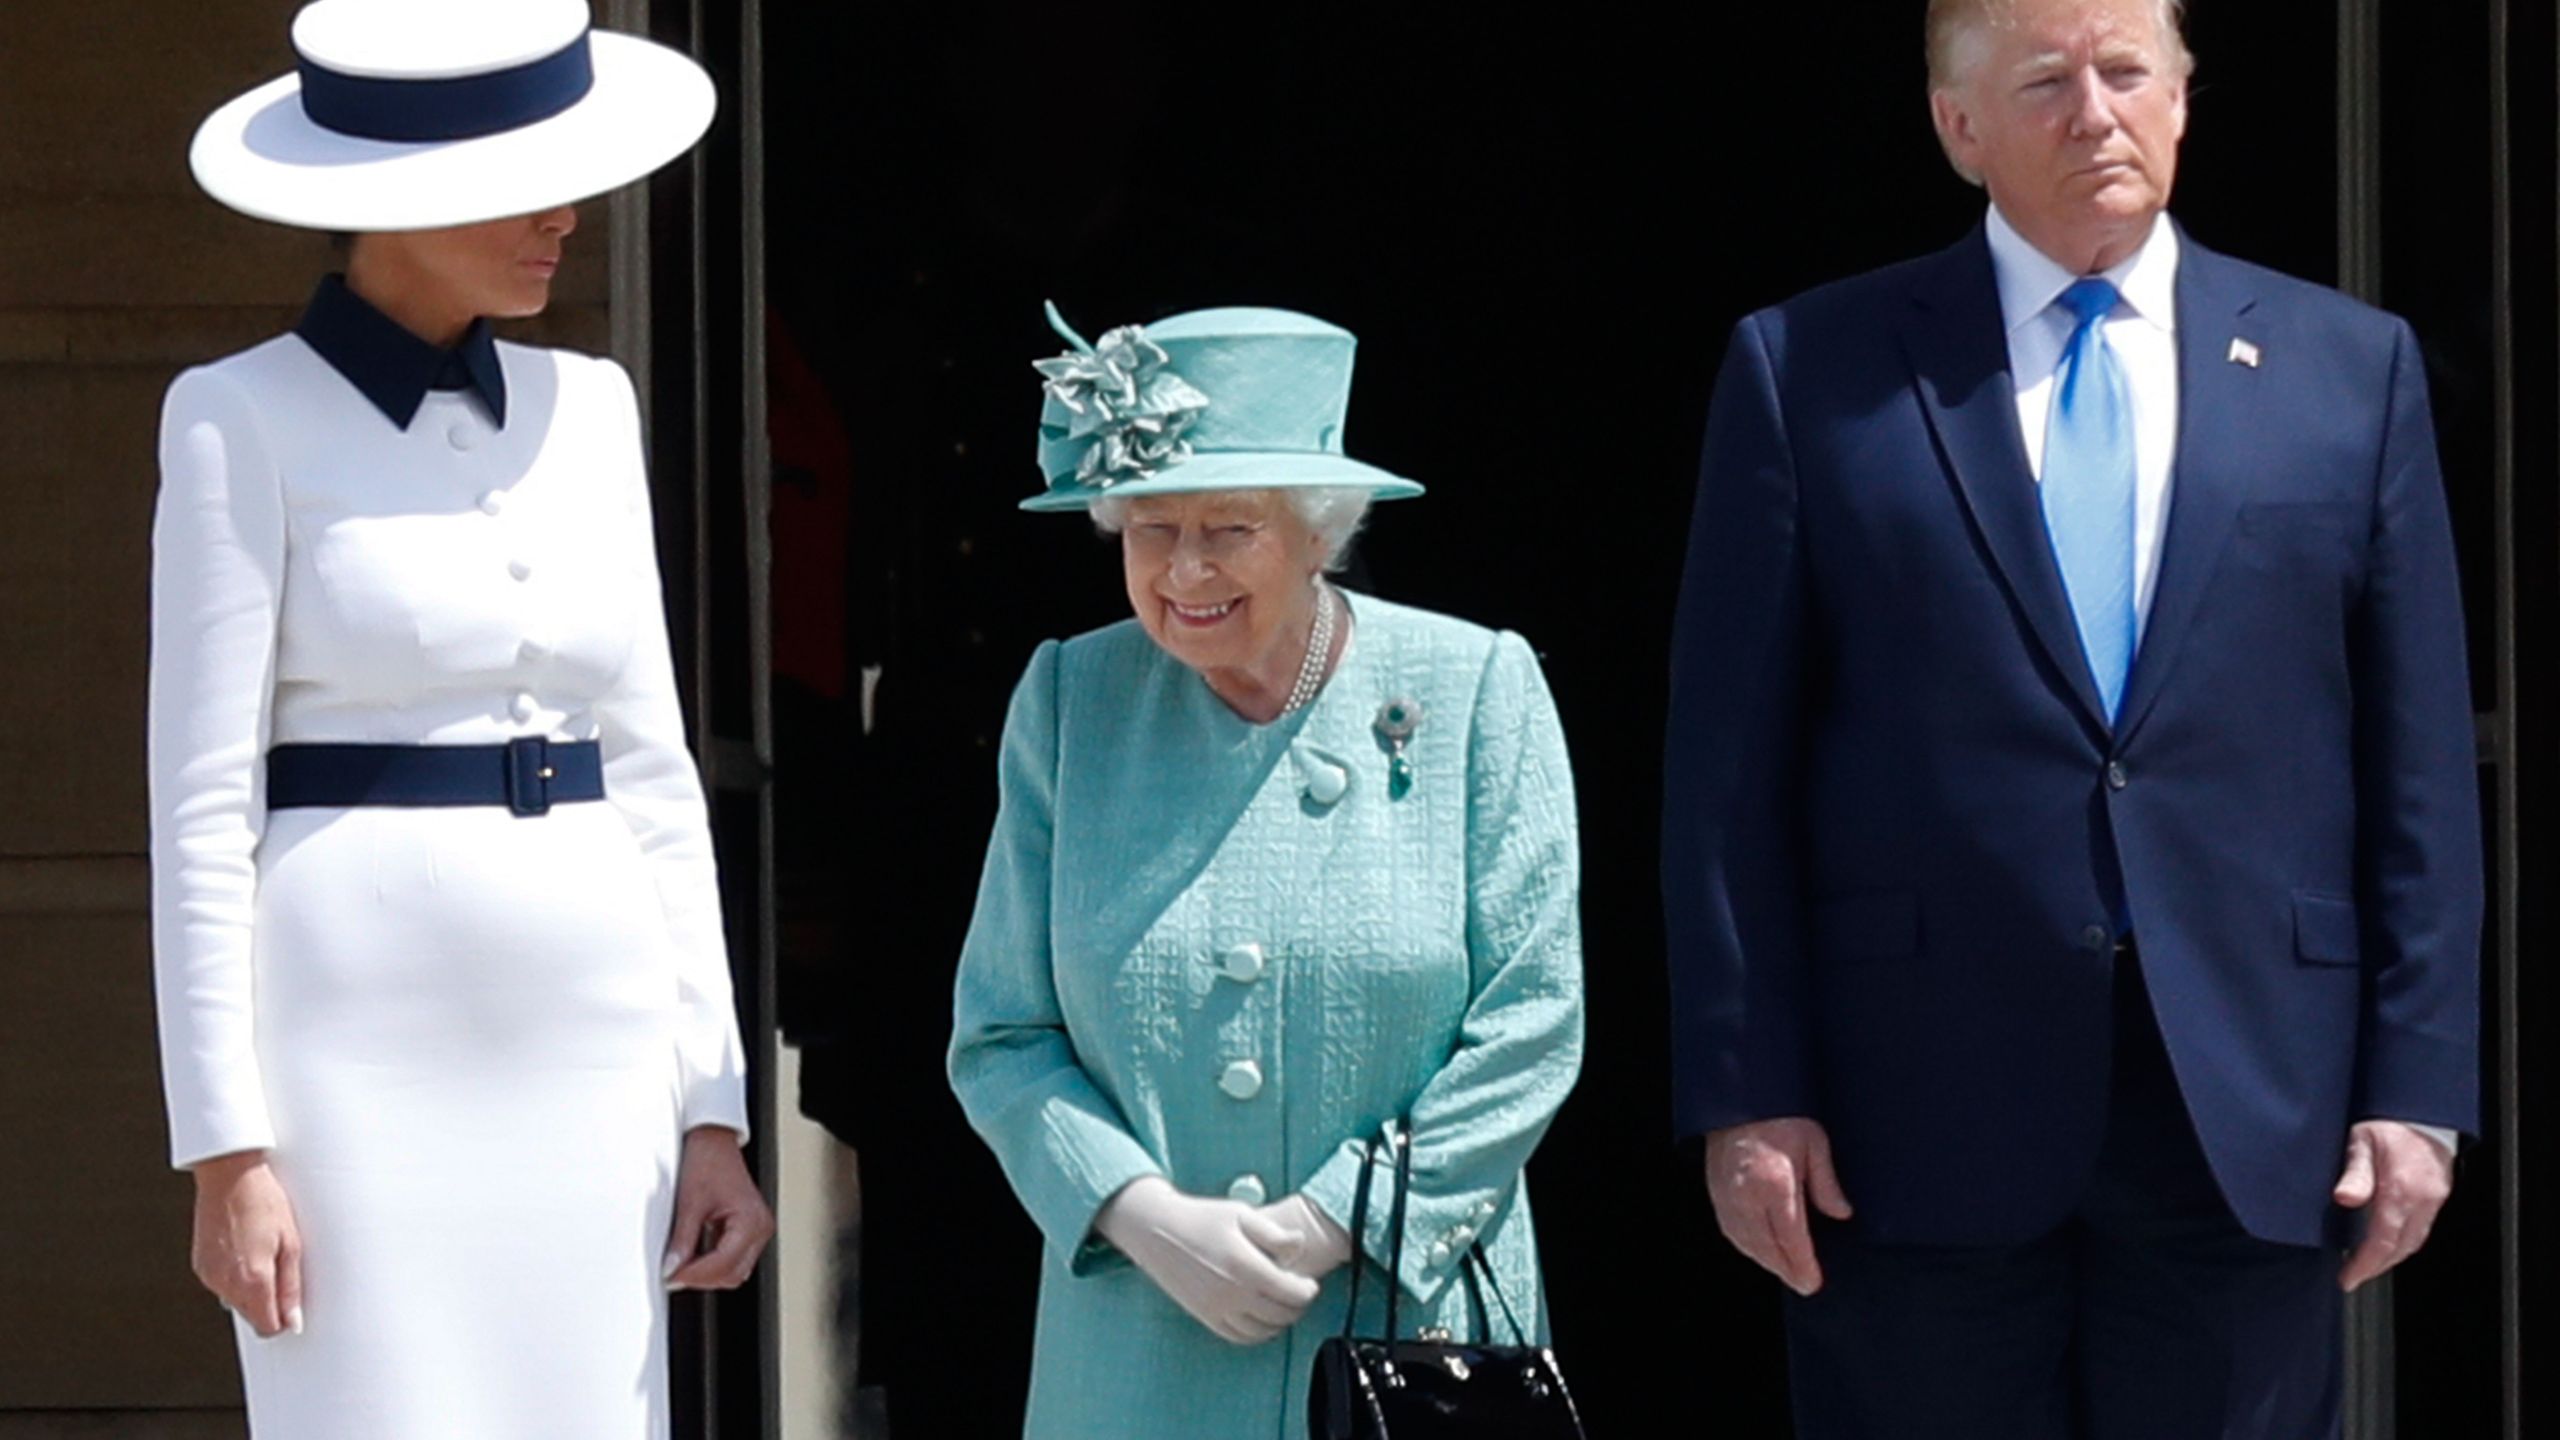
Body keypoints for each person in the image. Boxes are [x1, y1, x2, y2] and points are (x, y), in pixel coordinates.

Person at [1660, 1, 2482, 1435]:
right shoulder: (1814, 368)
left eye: (2127, 73)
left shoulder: (2353, 369)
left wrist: (2417, 1087)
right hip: (1909, 1107)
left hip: (2253, 1098)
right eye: (2045, 81)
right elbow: (1729, 771)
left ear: (2182, 100)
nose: (2096, 112)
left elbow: (2413, 767)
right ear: (1957, 127)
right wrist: (1746, 1086)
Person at [153, 4, 772, 1435]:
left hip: (594, 1033)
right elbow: (195, 812)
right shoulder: (233, 417)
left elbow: (655, 779)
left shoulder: (596, 405)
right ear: (391, 200)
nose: (568, 213)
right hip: (349, 1050)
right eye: (521, 178)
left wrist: (713, 1108)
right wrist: (224, 1151)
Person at [948, 304, 1585, 1437]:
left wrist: (1334, 1222)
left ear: (1319, 532)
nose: (1183, 571)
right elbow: (1001, 1036)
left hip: (1407, 1343)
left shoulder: (1476, 688)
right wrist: (1140, 1216)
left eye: (1228, 529)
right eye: (1150, 530)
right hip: (1140, 1354)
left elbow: (1533, 1018)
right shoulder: (1068, 701)